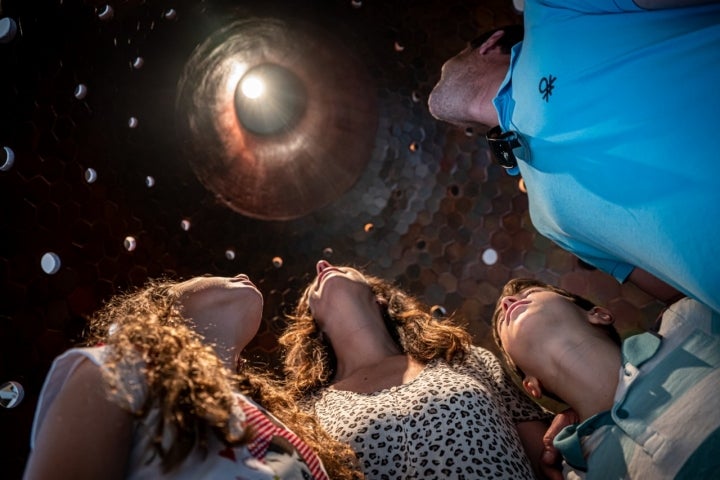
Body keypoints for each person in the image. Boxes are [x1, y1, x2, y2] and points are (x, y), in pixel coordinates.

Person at [428, 2, 720, 314]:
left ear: (489, 45)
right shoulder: (545, 220)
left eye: (444, 68)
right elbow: (678, 297)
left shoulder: (553, 11)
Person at [23, 274, 362, 480]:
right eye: (207, 273)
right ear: (164, 305)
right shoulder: (117, 368)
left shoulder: (280, 423)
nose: (242, 274)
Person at [279, 259, 557, 479]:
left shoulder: (463, 359)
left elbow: (547, 461)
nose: (322, 265)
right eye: (311, 289)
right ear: (311, 322)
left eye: (343, 268)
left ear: (380, 298)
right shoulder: (306, 413)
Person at [492, 277, 720, 478]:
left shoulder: (688, 319)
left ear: (599, 314)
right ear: (532, 386)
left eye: (530, 293)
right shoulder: (575, 471)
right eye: (503, 321)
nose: (507, 303)